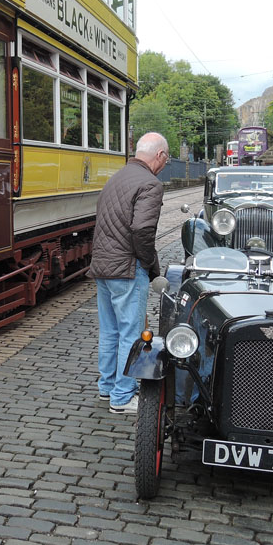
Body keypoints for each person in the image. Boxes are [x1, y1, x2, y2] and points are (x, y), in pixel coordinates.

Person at [88, 132, 169, 415]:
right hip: (126, 268)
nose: (164, 164)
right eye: (166, 159)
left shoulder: (116, 178)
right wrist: (148, 266)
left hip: (103, 266)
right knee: (130, 334)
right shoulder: (150, 184)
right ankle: (122, 397)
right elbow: (142, 231)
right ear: (159, 155)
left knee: (110, 331)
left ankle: (107, 386)